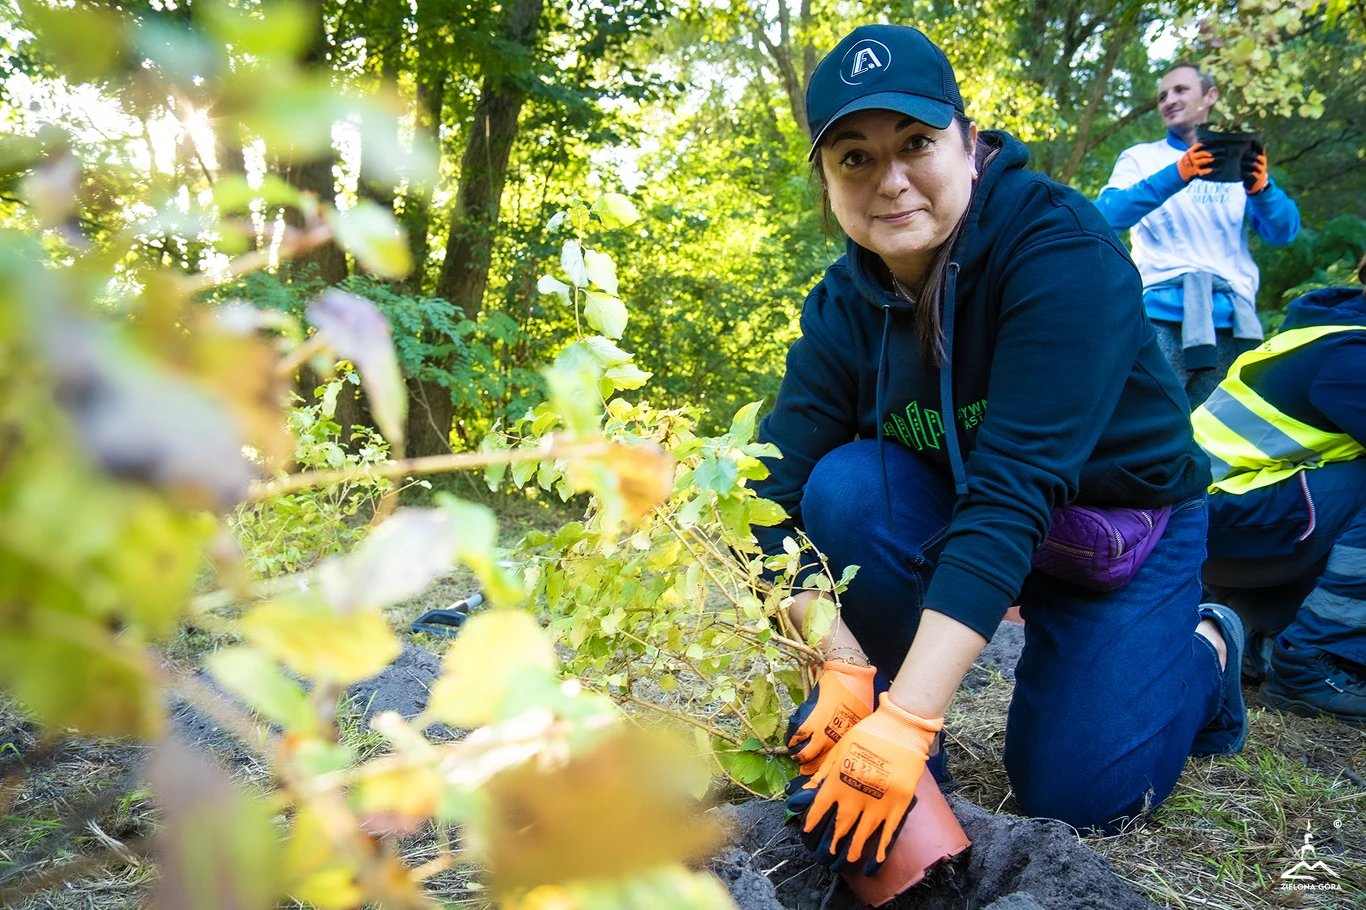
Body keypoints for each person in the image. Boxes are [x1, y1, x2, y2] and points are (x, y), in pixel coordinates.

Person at [748, 24, 1248, 876]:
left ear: (969, 144)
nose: (892, 180)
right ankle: (910, 775)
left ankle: (1207, 647)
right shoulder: (840, 309)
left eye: (916, 143)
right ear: (827, 184)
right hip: (963, 521)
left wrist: (906, 720)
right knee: (844, 489)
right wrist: (835, 657)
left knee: (1081, 796)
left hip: (1117, 529)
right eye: (855, 159)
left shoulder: (1058, 252)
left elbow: (1013, 492)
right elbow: (760, 498)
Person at [1197, 255, 1366, 727]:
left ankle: (1258, 641)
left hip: (1221, 529)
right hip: (1210, 525)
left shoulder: (1331, 331)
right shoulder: (1351, 355)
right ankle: (1311, 663)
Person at [1096, 63, 1301, 409]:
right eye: (1162, 96)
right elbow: (1105, 215)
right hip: (1158, 316)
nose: (1168, 100)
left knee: (1216, 435)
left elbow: (1284, 232)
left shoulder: (1238, 160)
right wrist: (1178, 173)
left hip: (1233, 321)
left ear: (1211, 96)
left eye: (1180, 90)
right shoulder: (1142, 158)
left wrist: (1262, 189)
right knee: (1149, 425)